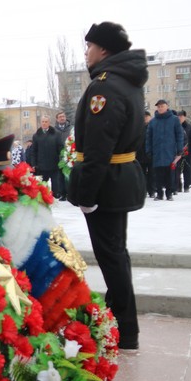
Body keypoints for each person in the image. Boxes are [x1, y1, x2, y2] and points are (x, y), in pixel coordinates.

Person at [67, 21, 148, 351]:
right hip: (119, 179)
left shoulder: (105, 87)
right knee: (117, 252)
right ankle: (117, 318)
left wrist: (86, 195)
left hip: (107, 184)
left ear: (104, 50)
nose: (86, 52)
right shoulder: (125, 80)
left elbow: (99, 147)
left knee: (111, 255)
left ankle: (126, 330)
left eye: (89, 46)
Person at [146, 100, 183, 201]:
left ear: (167, 107)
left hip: (170, 151)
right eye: (158, 107)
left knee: (169, 173)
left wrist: (180, 149)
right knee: (157, 174)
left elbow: (179, 135)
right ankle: (159, 194)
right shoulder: (153, 121)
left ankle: (169, 193)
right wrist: (148, 150)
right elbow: (148, 137)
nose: (160, 108)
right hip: (157, 151)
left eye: (162, 106)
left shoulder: (174, 120)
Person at [29, 115, 62, 197]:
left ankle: (55, 198)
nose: (44, 123)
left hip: (54, 165)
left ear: (49, 123)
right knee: (42, 187)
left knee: (55, 186)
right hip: (41, 166)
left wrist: (61, 161)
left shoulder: (56, 134)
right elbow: (34, 151)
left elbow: (60, 149)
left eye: (46, 122)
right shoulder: (36, 135)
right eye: (43, 122)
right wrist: (33, 164)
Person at [177, 111, 191, 193]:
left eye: (181, 116)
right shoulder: (175, 126)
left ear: (185, 117)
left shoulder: (190, 127)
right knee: (177, 170)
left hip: (187, 152)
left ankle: (186, 186)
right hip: (178, 152)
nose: (179, 118)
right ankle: (178, 185)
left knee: (187, 169)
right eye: (178, 116)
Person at [53, 112, 72, 200]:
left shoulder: (71, 128)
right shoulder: (54, 130)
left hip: (70, 155)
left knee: (70, 175)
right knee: (60, 176)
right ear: (57, 119)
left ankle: (71, 193)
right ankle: (62, 194)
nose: (62, 118)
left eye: (63, 116)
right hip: (58, 156)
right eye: (60, 117)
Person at [136, 112, 154, 197]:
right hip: (140, 154)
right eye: (144, 116)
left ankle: (152, 191)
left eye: (147, 116)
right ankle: (143, 191)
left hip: (151, 154)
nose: (145, 118)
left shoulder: (153, 126)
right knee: (141, 174)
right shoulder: (138, 127)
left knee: (152, 174)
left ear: (150, 117)